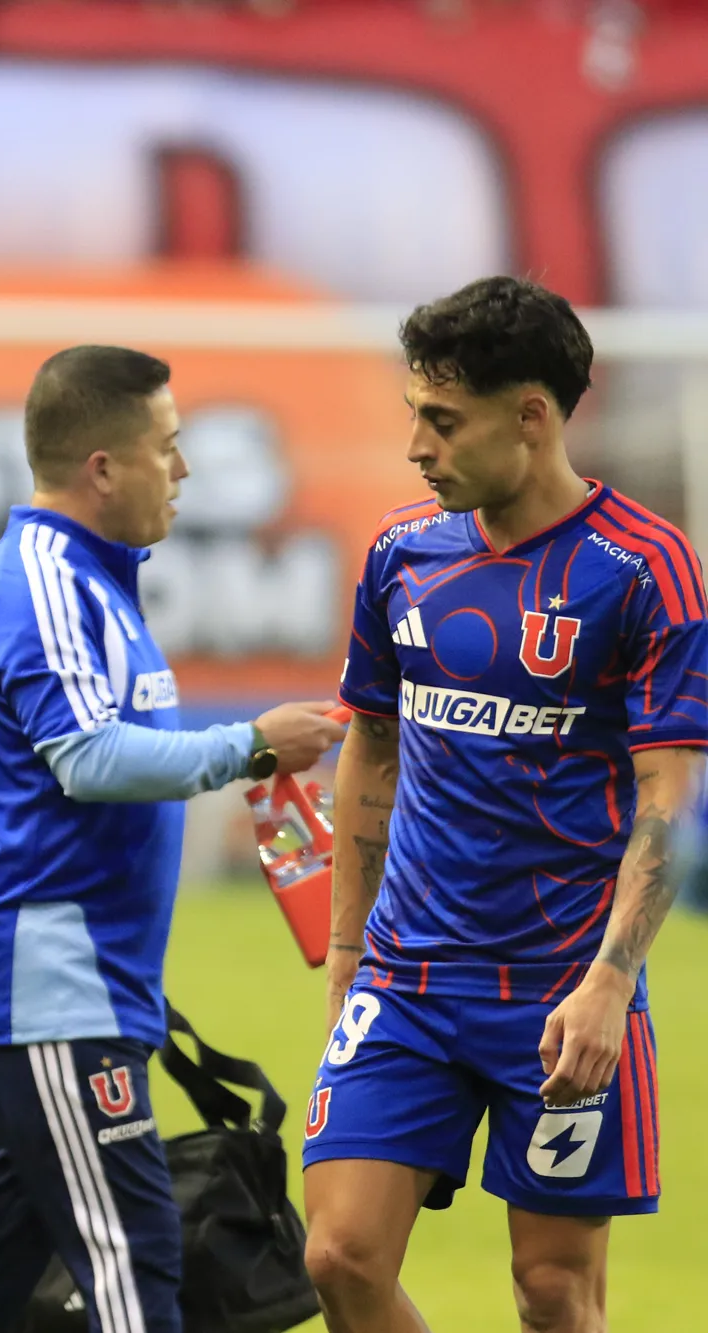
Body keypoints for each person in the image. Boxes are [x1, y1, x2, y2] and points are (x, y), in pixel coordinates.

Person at [0, 346, 345, 1333]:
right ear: (102, 466)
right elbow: (85, 759)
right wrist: (245, 745)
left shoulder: (93, 582)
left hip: (74, 982)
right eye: (167, 447)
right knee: (130, 1257)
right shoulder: (47, 579)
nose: (181, 470)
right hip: (49, 987)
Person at [302, 277, 708, 1333]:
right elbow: (370, 742)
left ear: (530, 416)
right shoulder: (401, 554)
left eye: (441, 421)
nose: (415, 447)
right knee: (337, 1254)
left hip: (557, 984)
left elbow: (665, 791)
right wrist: (347, 947)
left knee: (552, 1291)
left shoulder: (645, 568)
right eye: (412, 418)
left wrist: (609, 984)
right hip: (406, 975)